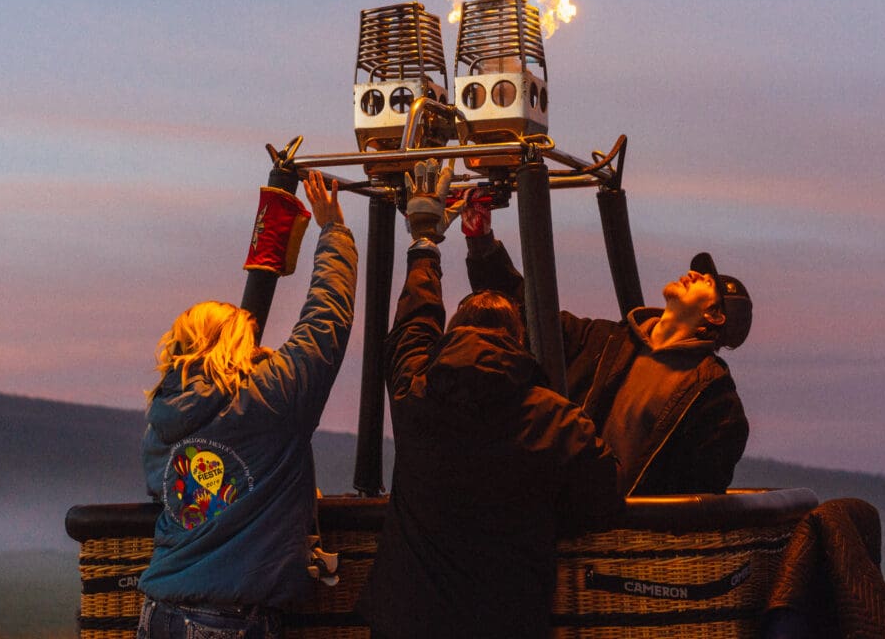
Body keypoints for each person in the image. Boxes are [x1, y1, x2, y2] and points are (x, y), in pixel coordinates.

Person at [359, 160, 622, 639]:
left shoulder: (416, 393)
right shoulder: (555, 419)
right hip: (507, 621)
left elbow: (413, 326)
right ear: (519, 341)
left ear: (454, 333)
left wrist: (425, 244)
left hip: (407, 624)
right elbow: (603, 498)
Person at [137, 171, 356, 639]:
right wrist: (333, 232)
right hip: (230, 621)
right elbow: (324, 322)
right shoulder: (269, 399)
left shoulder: (162, 419)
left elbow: (194, 498)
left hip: (160, 615)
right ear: (237, 344)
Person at [463, 192, 751, 495]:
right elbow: (525, 310)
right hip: (565, 518)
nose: (693, 273)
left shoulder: (717, 404)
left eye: (707, 282)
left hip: (632, 537)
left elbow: (696, 498)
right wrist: (481, 241)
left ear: (715, 315)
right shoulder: (603, 341)